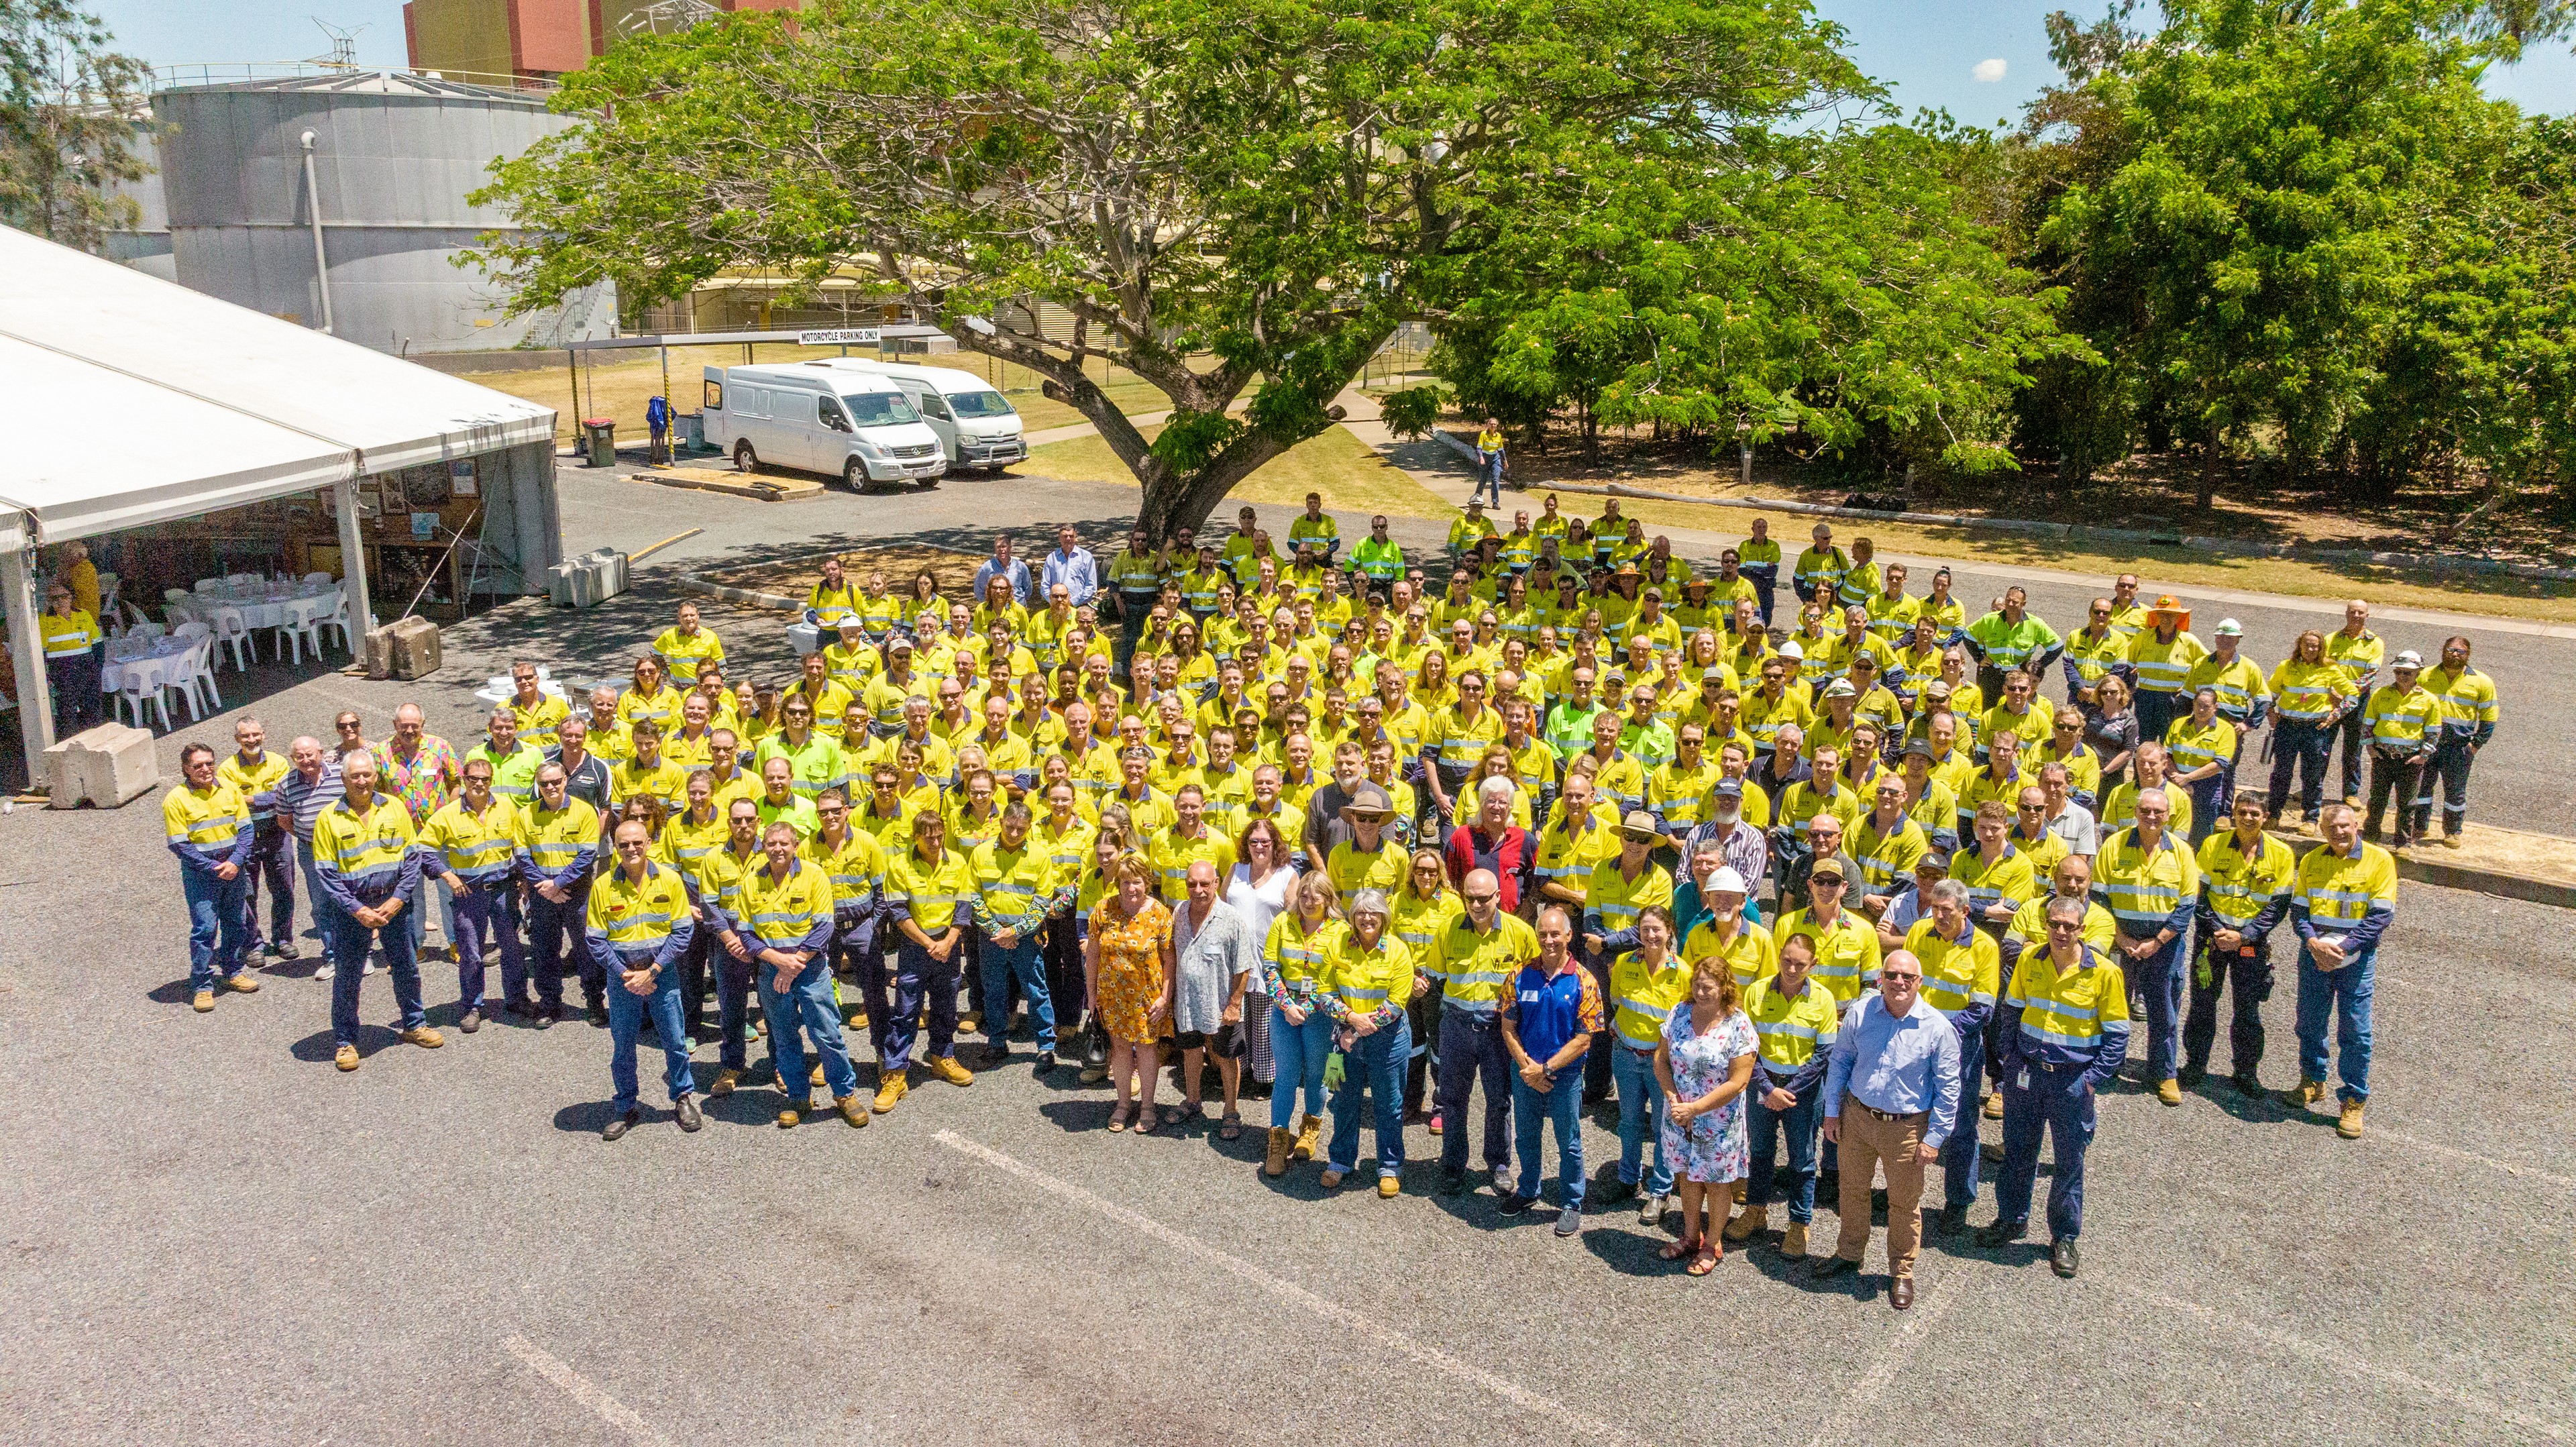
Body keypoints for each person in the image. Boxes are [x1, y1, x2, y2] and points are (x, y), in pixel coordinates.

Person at [1978, 896, 2130, 1278]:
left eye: (2069, 926)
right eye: (2054, 924)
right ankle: (2011, 1220)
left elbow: (2117, 1036)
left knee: (2068, 1162)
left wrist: (2092, 1081)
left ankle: (2063, 1236)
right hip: (2027, 1075)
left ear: (2082, 930)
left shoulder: (2106, 973)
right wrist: (2010, 1060)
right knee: (2017, 1153)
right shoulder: (2030, 960)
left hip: (2072, 1082)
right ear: (2046, 925)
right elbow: (2011, 1010)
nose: (2061, 932)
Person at [1811, 948, 1960, 1310]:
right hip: (1857, 1117)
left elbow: (1949, 1088)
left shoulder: (1938, 1028)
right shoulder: (1861, 1014)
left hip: (1907, 1128)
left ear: (1919, 982)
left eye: (1907, 977)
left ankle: (1901, 1272)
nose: (1899, 982)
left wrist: (1935, 1138)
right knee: (1852, 1190)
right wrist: (1832, 1113)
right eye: (1892, 975)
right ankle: (1849, 1254)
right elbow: (1842, 1062)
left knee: (1904, 1203)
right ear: (1881, 978)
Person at [313, 753, 442, 1071]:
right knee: (348, 975)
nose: (362, 781)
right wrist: (357, 910)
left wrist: (399, 899)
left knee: (406, 966)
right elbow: (326, 874)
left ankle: (414, 1025)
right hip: (351, 909)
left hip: (394, 903)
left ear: (375, 777)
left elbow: (412, 859)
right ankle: (345, 1042)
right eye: (355, 776)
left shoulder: (395, 807)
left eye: (367, 775)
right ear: (343, 779)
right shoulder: (329, 818)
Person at [732, 822, 866, 1128]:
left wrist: (795, 964)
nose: (777, 849)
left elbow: (824, 927)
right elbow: (747, 934)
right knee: (784, 1038)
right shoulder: (752, 882)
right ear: (763, 847)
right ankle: (797, 1097)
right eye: (770, 844)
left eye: (783, 843)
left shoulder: (814, 876)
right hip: (771, 972)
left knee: (828, 1035)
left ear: (794, 846)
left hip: (811, 970)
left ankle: (844, 1094)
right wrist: (781, 963)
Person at [2285, 803, 2397, 1140]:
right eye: (2332, 828)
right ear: (2322, 829)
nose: (2340, 833)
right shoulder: (2311, 860)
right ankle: (2312, 1081)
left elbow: (2380, 917)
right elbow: (2299, 911)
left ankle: (2353, 1099)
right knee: (2309, 1021)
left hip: (2356, 961)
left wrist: (2343, 949)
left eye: (2346, 826)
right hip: (2315, 956)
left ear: (2358, 824)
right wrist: (2313, 944)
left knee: (2355, 1029)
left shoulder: (2379, 861)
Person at [1724, 932, 1838, 1261]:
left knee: (1802, 1159)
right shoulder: (1758, 992)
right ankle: (1757, 1211)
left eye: (1800, 964)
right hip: (1764, 1085)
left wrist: (1787, 1091)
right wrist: (1768, 1088)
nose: (1791, 968)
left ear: (1813, 965)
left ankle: (1799, 1222)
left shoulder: (1824, 999)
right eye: (1786, 960)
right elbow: (1746, 1047)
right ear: (1779, 957)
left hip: (1801, 1091)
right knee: (1759, 1152)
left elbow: (1823, 1053)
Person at [590, 818, 704, 1140]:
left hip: (662, 973)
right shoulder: (602, 886)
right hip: (622, 977)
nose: (631, 849)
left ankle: (682, 1098)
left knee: (674, 1039)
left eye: (637, 842)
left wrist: (652, 971)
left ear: (649, 843)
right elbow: (596, 939)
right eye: (624, 844)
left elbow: (683, 931)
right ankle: (626, 1106)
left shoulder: (669, 880)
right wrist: (627, 974)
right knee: (623, 1045)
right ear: (615, 847)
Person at [1428, 867, 1538, 1195]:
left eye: (1483, 899)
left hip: (1497, 1030)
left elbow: (1534, 983)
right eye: (1470, 899)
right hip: (1457, 1024)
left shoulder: (1520, 933)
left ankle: (1499, 1163)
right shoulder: (1448, 929)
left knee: (1498, 1100)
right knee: (1452, 1099)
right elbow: (1434, 976)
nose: (1476, 906)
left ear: (1498, 897)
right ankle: (1452, 1163)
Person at [1499, 905, 1605, 1236]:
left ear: (1569, 936)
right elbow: (1507, 1027)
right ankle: (1529, 1190)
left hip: (1566, 1076)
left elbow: (1585, 1039)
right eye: (1543, 934)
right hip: (1525, 1071)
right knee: (1526, 1136)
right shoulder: (1518, 975)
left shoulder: (1585, 981)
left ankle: (1572, 1202)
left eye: (1555, 934)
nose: (1549, 940)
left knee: (1568, 1141)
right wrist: (1527, 1069)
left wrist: (1544, 1069)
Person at [2092, 786, 2198, 1106]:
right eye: (2145, 811)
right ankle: (2109, 1066)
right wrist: (2120, 938)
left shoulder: (2181, 851)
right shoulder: (2114, 845)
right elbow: (2099, 897)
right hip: (2120, 940)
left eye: (2158, 812)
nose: (2151, 817)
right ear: (2136, 812)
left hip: (2163, 945)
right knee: (2113, 1006)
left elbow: (2187, 904)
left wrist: (2158, 941)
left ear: (2169, 815)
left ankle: (2164, 1073)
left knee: (2163, 1010)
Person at [1906, 880, 2000, 1238]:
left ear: (1965, 911)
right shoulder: (1919, 932)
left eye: (1948, 910)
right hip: (1913, 1044)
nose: (1940, 916)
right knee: (1909, 1120)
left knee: (1960, 1127)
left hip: (1960, 1051)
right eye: (1935, 908)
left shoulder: (1985, 947)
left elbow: (1981, 1010)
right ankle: (1905, 1193)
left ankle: (1958, 1202)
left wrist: (1935, 1033)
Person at [1655, 951, 1757, 1273]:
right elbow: (1661, 1060)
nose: (1701, 992)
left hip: (1717, 1122)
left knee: (1715, 1182)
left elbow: (1740, 1080)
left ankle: (1712, 1244)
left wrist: (1695, 1108)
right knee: (1686, 1176)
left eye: (1709, 987)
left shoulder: (1738, 1024)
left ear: (1725, 987)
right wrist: (1673, 1098)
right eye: (1697, 985)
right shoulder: (1679, 1013)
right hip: (1679, 1116)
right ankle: (1689, 1235)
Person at [2186, 794, 2295, 1094]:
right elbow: (2199, 895)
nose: (2248, 818)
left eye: (2255, 814)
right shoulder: (2213, 845)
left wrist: (2244, 936)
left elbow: (2279, 905)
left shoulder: (2282, 853)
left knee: (2247, 1009)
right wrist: (2219, 931)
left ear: (2266, 817)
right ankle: (2195, 1065)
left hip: (2250, 944)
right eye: (2242, 812)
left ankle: (2246, 1072)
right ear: (2233, 814)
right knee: (2203, 1005)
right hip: (2212, 939)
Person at [877, 812, 981, 1112]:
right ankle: (896, 1072)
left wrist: (949, 942)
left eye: (939, 835)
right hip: (915, 948)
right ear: (916, 837)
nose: (935, 842)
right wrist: (929, 944)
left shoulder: (958, 862)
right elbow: (898, 912)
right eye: (928, 836)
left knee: (946, 1006)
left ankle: (941, 1056)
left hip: (948, 946)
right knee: (906, 1010)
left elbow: (963, 907)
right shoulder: (899, 866)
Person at [416, 755, 525, 1033]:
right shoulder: (448, 814)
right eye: (473, 779)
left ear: (492, 781)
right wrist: (447, 875)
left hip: (503, 891)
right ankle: (472, 1006)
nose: (479, 783)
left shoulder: (507, 808)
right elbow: (422, 848)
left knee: (511, 949)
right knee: (471, 952)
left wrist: (524, 878)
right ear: (464, 780)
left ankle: (516, 998)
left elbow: (521, 845)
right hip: (468, 893)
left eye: (484, 779)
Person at [1316, 890, 1413, 1193]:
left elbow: (1396, 1004)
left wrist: (1355, 1028)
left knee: (1389, 1105)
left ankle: (1389, 1166)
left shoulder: (1397, 950)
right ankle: (1341, 1161)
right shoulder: (1338, 944)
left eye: (1373, 913)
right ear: (1352, 917)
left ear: (1384, 917)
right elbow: (1323, 992)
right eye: (1360, 913)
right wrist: (1348, 1018)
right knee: (1344, 1102)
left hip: (1388, 1040)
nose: (1367, 918)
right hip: (1347, 1040)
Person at [1604, 905, 1689, 1224]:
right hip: (1626, 1055)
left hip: (1661, 1062)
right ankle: (1628, 1178)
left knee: (1663, 1127)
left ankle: (1660, 1191)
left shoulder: (1683, 973)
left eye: (1657, 930)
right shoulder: (1625, 963)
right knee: (1629, 1121)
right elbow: (1615, 1001)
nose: (1651, 936)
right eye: (1645, 930)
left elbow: (1685, 1021)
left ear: (1670, 932)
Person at [1260, 871, 1343, 1171]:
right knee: (1286, 1076)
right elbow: (1270, 968)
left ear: (1327, 899)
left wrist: (1306, 1008)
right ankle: (1278, 1142)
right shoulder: (1283, 922)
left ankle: (1310, 1129)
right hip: (1285, 1010)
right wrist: (1286, 1006)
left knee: (1317, 1074)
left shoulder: (1340, 930)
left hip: (1319, 1013)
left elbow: (1333, 977)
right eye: (1304, 895)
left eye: (1315, 896)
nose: (1308, 902)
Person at [1087, 852, 1175, 1133]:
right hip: (1112, 996)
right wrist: (1092, 995)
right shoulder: (1103, 909)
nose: (1131, 888)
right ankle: (1123, 1104)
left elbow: (1169, 958)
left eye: (1136, 882)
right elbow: (1093, 954)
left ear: (1146, 882)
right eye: (1125, 882)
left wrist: (1165, 996)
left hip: (1147, 998)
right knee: (1120, 1049)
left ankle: (1147, 1107)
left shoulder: (1159, 913)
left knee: (1148, 1050)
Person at [166, 742, 257, 1013]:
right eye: (197, 766)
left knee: (237, 924)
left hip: (234, 869)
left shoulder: (229, 789)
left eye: (209, 763)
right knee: (205, 929)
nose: (205, 769)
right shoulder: (176, 799)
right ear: (186, 769)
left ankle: (233, 971)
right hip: (202, 876)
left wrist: (235, 862)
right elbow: (180, 845)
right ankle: (203, 986)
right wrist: (215, 868)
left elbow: (246, 830)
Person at [972, 800, 1065, 1069]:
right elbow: (974, 897)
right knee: (994, 990)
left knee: (1036, 990)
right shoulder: (980, 853)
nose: (1014, 834)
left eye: (1021, 829)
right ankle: (996, 1042)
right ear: (1001, 822)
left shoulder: (1039, 856)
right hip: (991, 936)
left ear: (1029, 828)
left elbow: (1041, 902)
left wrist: (1013, 932)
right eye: (1010, 827)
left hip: (1026, 936)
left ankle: (1046, 1047)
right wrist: (996, 931)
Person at [517, 762, 602, 1028]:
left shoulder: (585, 811)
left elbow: (588, 854)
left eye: (556, 781)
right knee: (544, 950)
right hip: (543, 895)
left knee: (587, 949)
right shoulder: (525, 815)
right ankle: (550, 1004)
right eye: (544, 784)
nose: (551, 787)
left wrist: (559, 884)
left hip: (577, 892)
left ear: (565, 780)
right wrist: (546, 886)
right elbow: (522, 855)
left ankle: (595, 1002)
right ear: (537, 785)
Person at [216, 717, 296, 964]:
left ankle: (283, 939)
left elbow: (283, 794)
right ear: (236, 739)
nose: (251, 740)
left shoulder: (278, 762)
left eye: (255, 735)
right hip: (244, 838)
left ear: (264, 734)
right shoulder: (227, 768)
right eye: (245, 736)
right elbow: (231, 801)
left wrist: (251, 799)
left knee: (284, 889)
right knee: (247, 894)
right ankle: (253, 944)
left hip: (276, 833)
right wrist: (264, 798)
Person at [2414, 635, 2497, 849]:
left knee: (2455, 792)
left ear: (2468, 655)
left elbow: (2489, 717)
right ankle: (2419, 825)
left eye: (2461, 651)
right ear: (2443, 651)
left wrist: (2475, 746)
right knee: (2422, 788)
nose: (2455, 655)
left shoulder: (2482, 682)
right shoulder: (2424, 676)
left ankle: (2452, 831)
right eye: (2451, 650)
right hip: (2427, 744)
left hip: (2458, 748)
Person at [2360, 649, 2440, 849]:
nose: (2402, 677)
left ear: (2418, 673)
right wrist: (2370, 748)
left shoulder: (2429, 700)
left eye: (2407, 673)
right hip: (2383, 757)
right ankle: (2370, 838)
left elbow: (2433, 731)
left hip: (2410, 760)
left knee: (2407, 804)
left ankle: (2403, 843)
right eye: (2398, 672)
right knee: (2377, 800)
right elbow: (2368, 723)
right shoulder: (2381, 694)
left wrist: (2424, 755)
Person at [272, 736, 339, 971]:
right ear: (293, 759)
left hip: (346, 849)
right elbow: (284, 820)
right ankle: (333, 955)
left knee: (352, 900)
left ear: (321, 752)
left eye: (310, 754)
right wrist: (308, 834)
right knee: (321, 904)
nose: (306, 759)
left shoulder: (342, 775)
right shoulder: (286, 784)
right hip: (312, 851)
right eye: (299, 756)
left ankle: (362, 954)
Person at [38, 580, 101, 737]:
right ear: (50, 602)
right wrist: (48, 676)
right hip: (62, 672)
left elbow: (98, 645)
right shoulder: (44, 620)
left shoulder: (83, 615)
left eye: (64, 596)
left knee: (93, 710)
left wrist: (98, 669)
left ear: (71, 597)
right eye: (55, 598)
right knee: (67, 714)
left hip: (86, 668)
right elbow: (41, 653)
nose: (60, 601)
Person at [1040, 524, 1099, 608]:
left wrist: (1072, 602)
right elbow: (1045, 586)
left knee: (1077, 622)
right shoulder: (1052, 558)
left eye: (1071, 536)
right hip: (1057, 607)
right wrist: (1054, 601)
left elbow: (1091, 586)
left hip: (1080, 606)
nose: (1068, 539)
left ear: (1076, 538)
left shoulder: (1086, 557)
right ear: (1059, 539)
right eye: (1065, 536)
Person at [971, 532, 1034, 607]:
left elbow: (1028, 590)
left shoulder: (1021, 567)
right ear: (995, 549)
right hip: (995, 613)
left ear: (1010, 548)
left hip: (1017, 612)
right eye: (998, 547)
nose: (1001, 550)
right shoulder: (986, 568)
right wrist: (990, 606)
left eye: (1004, 546)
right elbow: (978, 590)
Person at [1473, 418, 1507, 507]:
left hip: (1495, 459)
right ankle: (1477, 498)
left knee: (1495, 479)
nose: (1493, 426)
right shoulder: (1483, 434)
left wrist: (1505, 461)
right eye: (1491, 424)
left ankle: (1495, 502)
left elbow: (1501, 450)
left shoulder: (1498, 436)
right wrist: (1481, 458)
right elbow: (1479, 448)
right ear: (1488, 425)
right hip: (1484, 457)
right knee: (1483, 480)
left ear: (1497, 426)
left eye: (1495, 424)